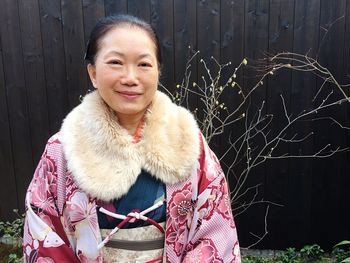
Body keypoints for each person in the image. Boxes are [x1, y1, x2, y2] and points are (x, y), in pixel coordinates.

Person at [23, 14, 241, 262]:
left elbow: (214, 232)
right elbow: (44, 238)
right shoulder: (61, 150)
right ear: (93, 73)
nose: (130, 78)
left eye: (144, 64)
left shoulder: (188, 141)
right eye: (116, 62)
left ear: (158, 71)